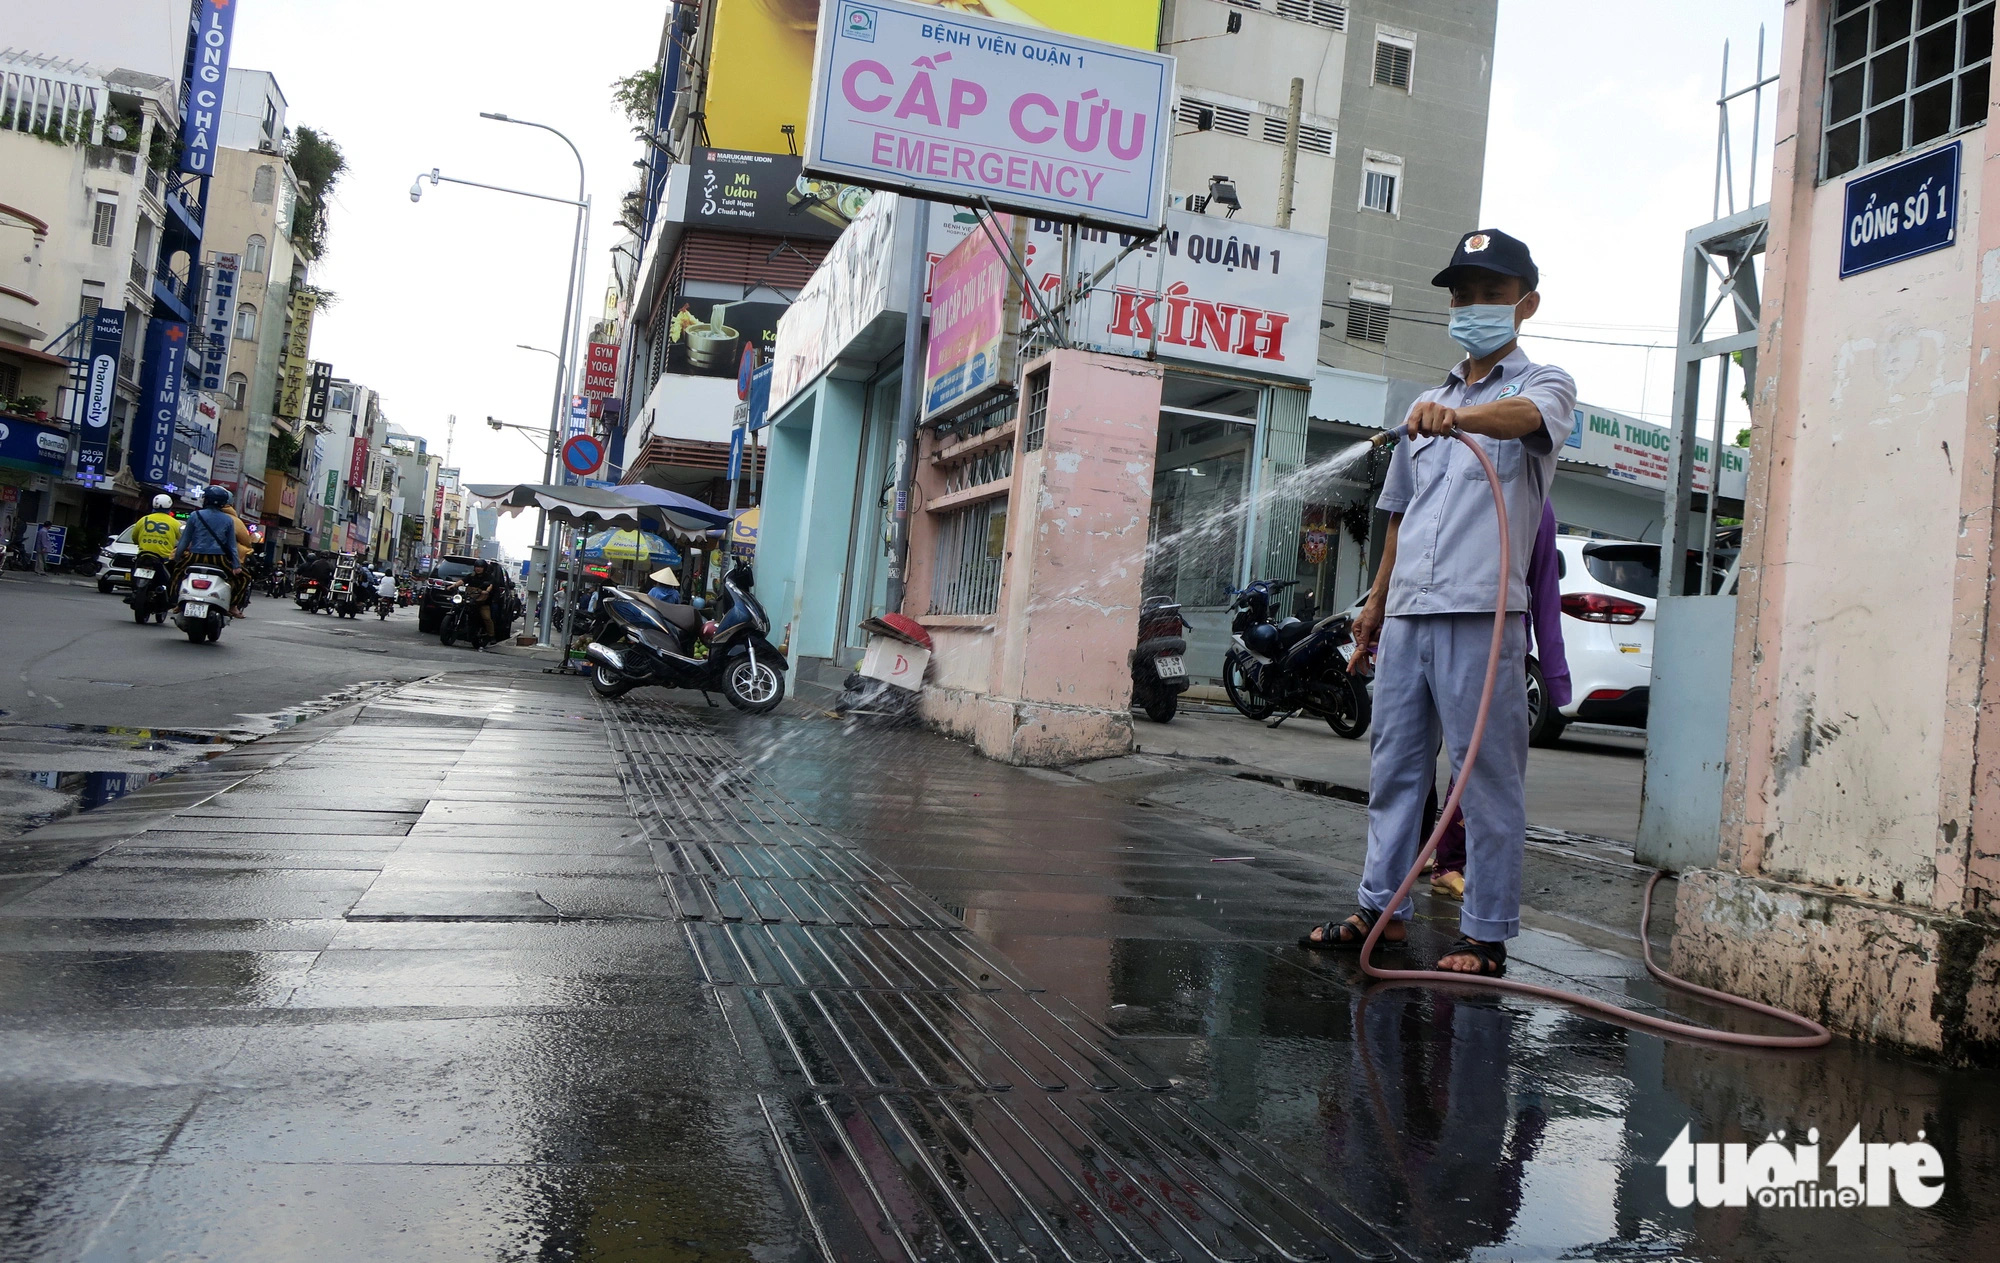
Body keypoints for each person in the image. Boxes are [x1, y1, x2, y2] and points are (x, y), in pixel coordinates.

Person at [1299, 229, 1576, 978]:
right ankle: (1380, 908)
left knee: (1484, 776)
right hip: (1411, 614)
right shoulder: (1424, 401)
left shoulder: (1545, 384)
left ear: (1526, 303)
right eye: (1462, 294)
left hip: (1483, 615)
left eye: (1490, 294)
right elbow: (1400, 516)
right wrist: (1375, 605)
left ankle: (1485, 934)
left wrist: (1466, 419)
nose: (1472, 307)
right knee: (1395, 768)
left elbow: (1527, 420)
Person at [1429, 497, 1571, 900]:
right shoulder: (1447, 491)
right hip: (1433, 635)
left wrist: (1555, 676)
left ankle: (1450, 863)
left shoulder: (1536, 504)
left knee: (1476, 762)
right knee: (1412, 757)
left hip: (1499, 648)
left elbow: (1545, 589)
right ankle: (1424, 851)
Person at [170, 486, 247, 613]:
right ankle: (233, 606)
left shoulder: (195, 515)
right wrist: (236, 565)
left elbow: (184, 541)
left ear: (207, 500)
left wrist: (177, 558)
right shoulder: (228, 520)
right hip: (219, 559)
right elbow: (232, 546)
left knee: (176, 573)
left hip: (195, 556)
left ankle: (177, 602)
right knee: (244, 577)